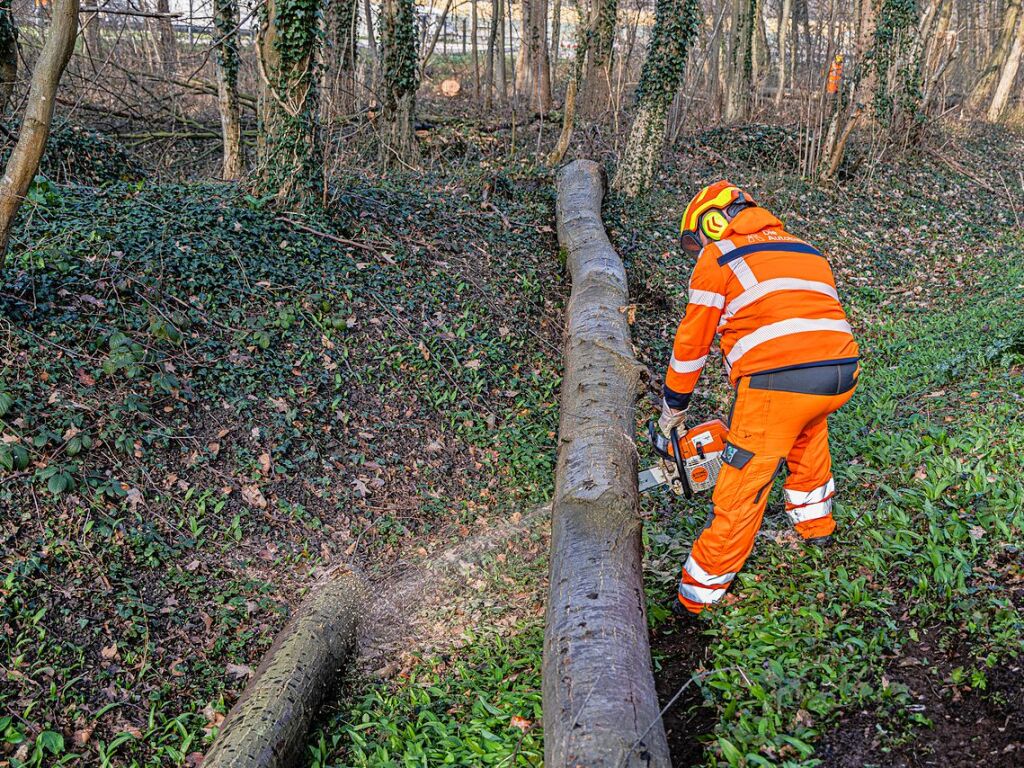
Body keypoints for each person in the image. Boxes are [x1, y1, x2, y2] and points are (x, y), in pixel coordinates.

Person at [660, 181, 859, 615]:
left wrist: (672, 407)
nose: (696, 251)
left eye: (695, 241)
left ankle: (698, 594)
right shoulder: (806, 248)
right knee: (807, 434)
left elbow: (692, 344)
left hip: (778, 381)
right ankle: (817, 526)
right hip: (840, 373)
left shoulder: (720, 256)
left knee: (741, 482)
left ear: (712, 222)